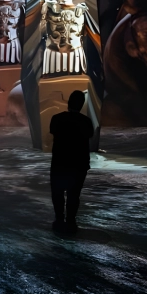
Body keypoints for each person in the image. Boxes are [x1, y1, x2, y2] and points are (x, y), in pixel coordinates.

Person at [49, 90, 94, 233]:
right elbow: (90, 135)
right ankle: (71, 221)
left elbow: (53, 131)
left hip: (59, 162)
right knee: (74, 194)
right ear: (81, 105)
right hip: (78, 164)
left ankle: (59, 219)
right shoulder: (86, 121)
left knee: (57, 192)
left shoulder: (57, 119)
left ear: (68, 102)